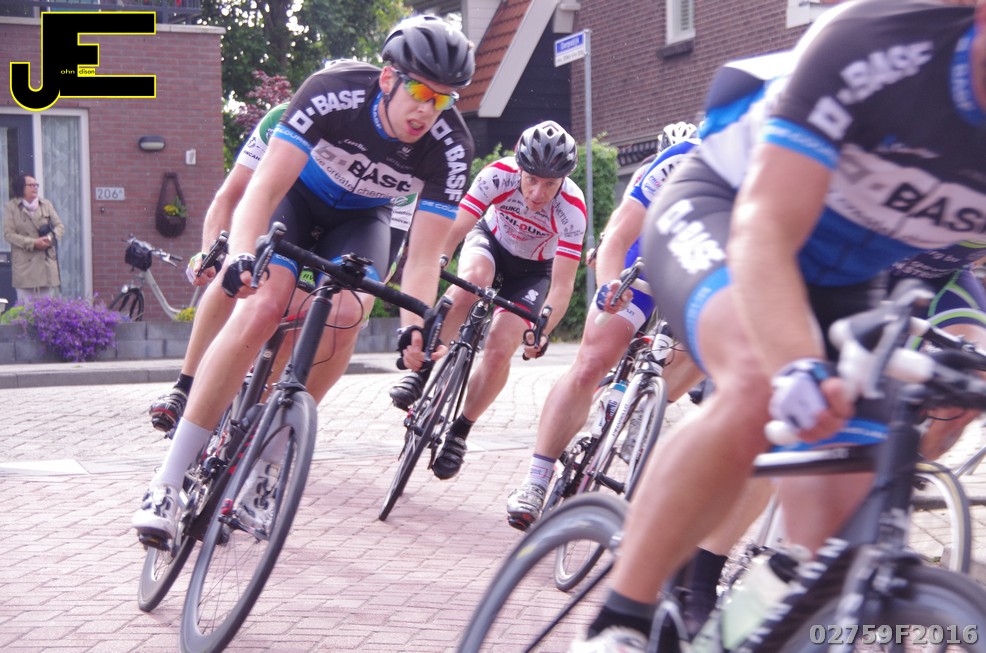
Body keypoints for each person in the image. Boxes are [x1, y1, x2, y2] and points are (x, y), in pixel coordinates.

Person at [570, 1, 986, 650]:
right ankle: (621, 620)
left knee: (834, 553)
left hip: (849, 281)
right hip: (730, 214)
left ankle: (734, 633)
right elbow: (764, 228)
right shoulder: (878, 41)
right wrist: (796, 361)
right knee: (759, 383)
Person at [132, 14, 476, 544]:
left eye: (444, 100)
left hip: (362, 219)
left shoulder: (450, 146)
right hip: (296, 199)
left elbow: (425, 256)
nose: (428, 111)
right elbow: (263, 191)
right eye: (420, 93)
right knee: (263, 304)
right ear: (388, 79)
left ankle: (268, 464)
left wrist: (414, 324)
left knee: (347, 315)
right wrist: (241, 257)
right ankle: (167, 482)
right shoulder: (333, 92)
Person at [503, 122, 704, 530]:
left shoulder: (783, 176)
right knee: (593, 360)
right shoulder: (682, 158)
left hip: (701, 269)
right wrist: (611, 283)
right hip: (644, 253)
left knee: (707, 348)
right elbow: (618, 233)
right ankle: (537, 478)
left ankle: (644, 408)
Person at [390, 120, 587, 480]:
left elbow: (562, 285)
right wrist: (438, 259)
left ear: (563, 180)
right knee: (471, 282)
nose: (538, 193)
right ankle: (424, 369)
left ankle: (460, 432)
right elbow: (455, 229)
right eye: (531, 179)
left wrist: (542, 331)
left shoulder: (572, 208)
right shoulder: (497, 175)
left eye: (550, 184)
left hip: (533, 271)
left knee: (500, 347)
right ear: (519, 167)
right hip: (490, 244)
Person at [3, 173, 65, 304]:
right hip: (25, 267)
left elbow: (59, 227)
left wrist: (49, 238)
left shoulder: (46, 205)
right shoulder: (11, 207)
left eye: (36, 185)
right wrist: (33, 243)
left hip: (46, 266)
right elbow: (8, 234)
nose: (35, 188)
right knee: (26, 309)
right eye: (31, 185)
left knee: (47, 309)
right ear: (21, 187)